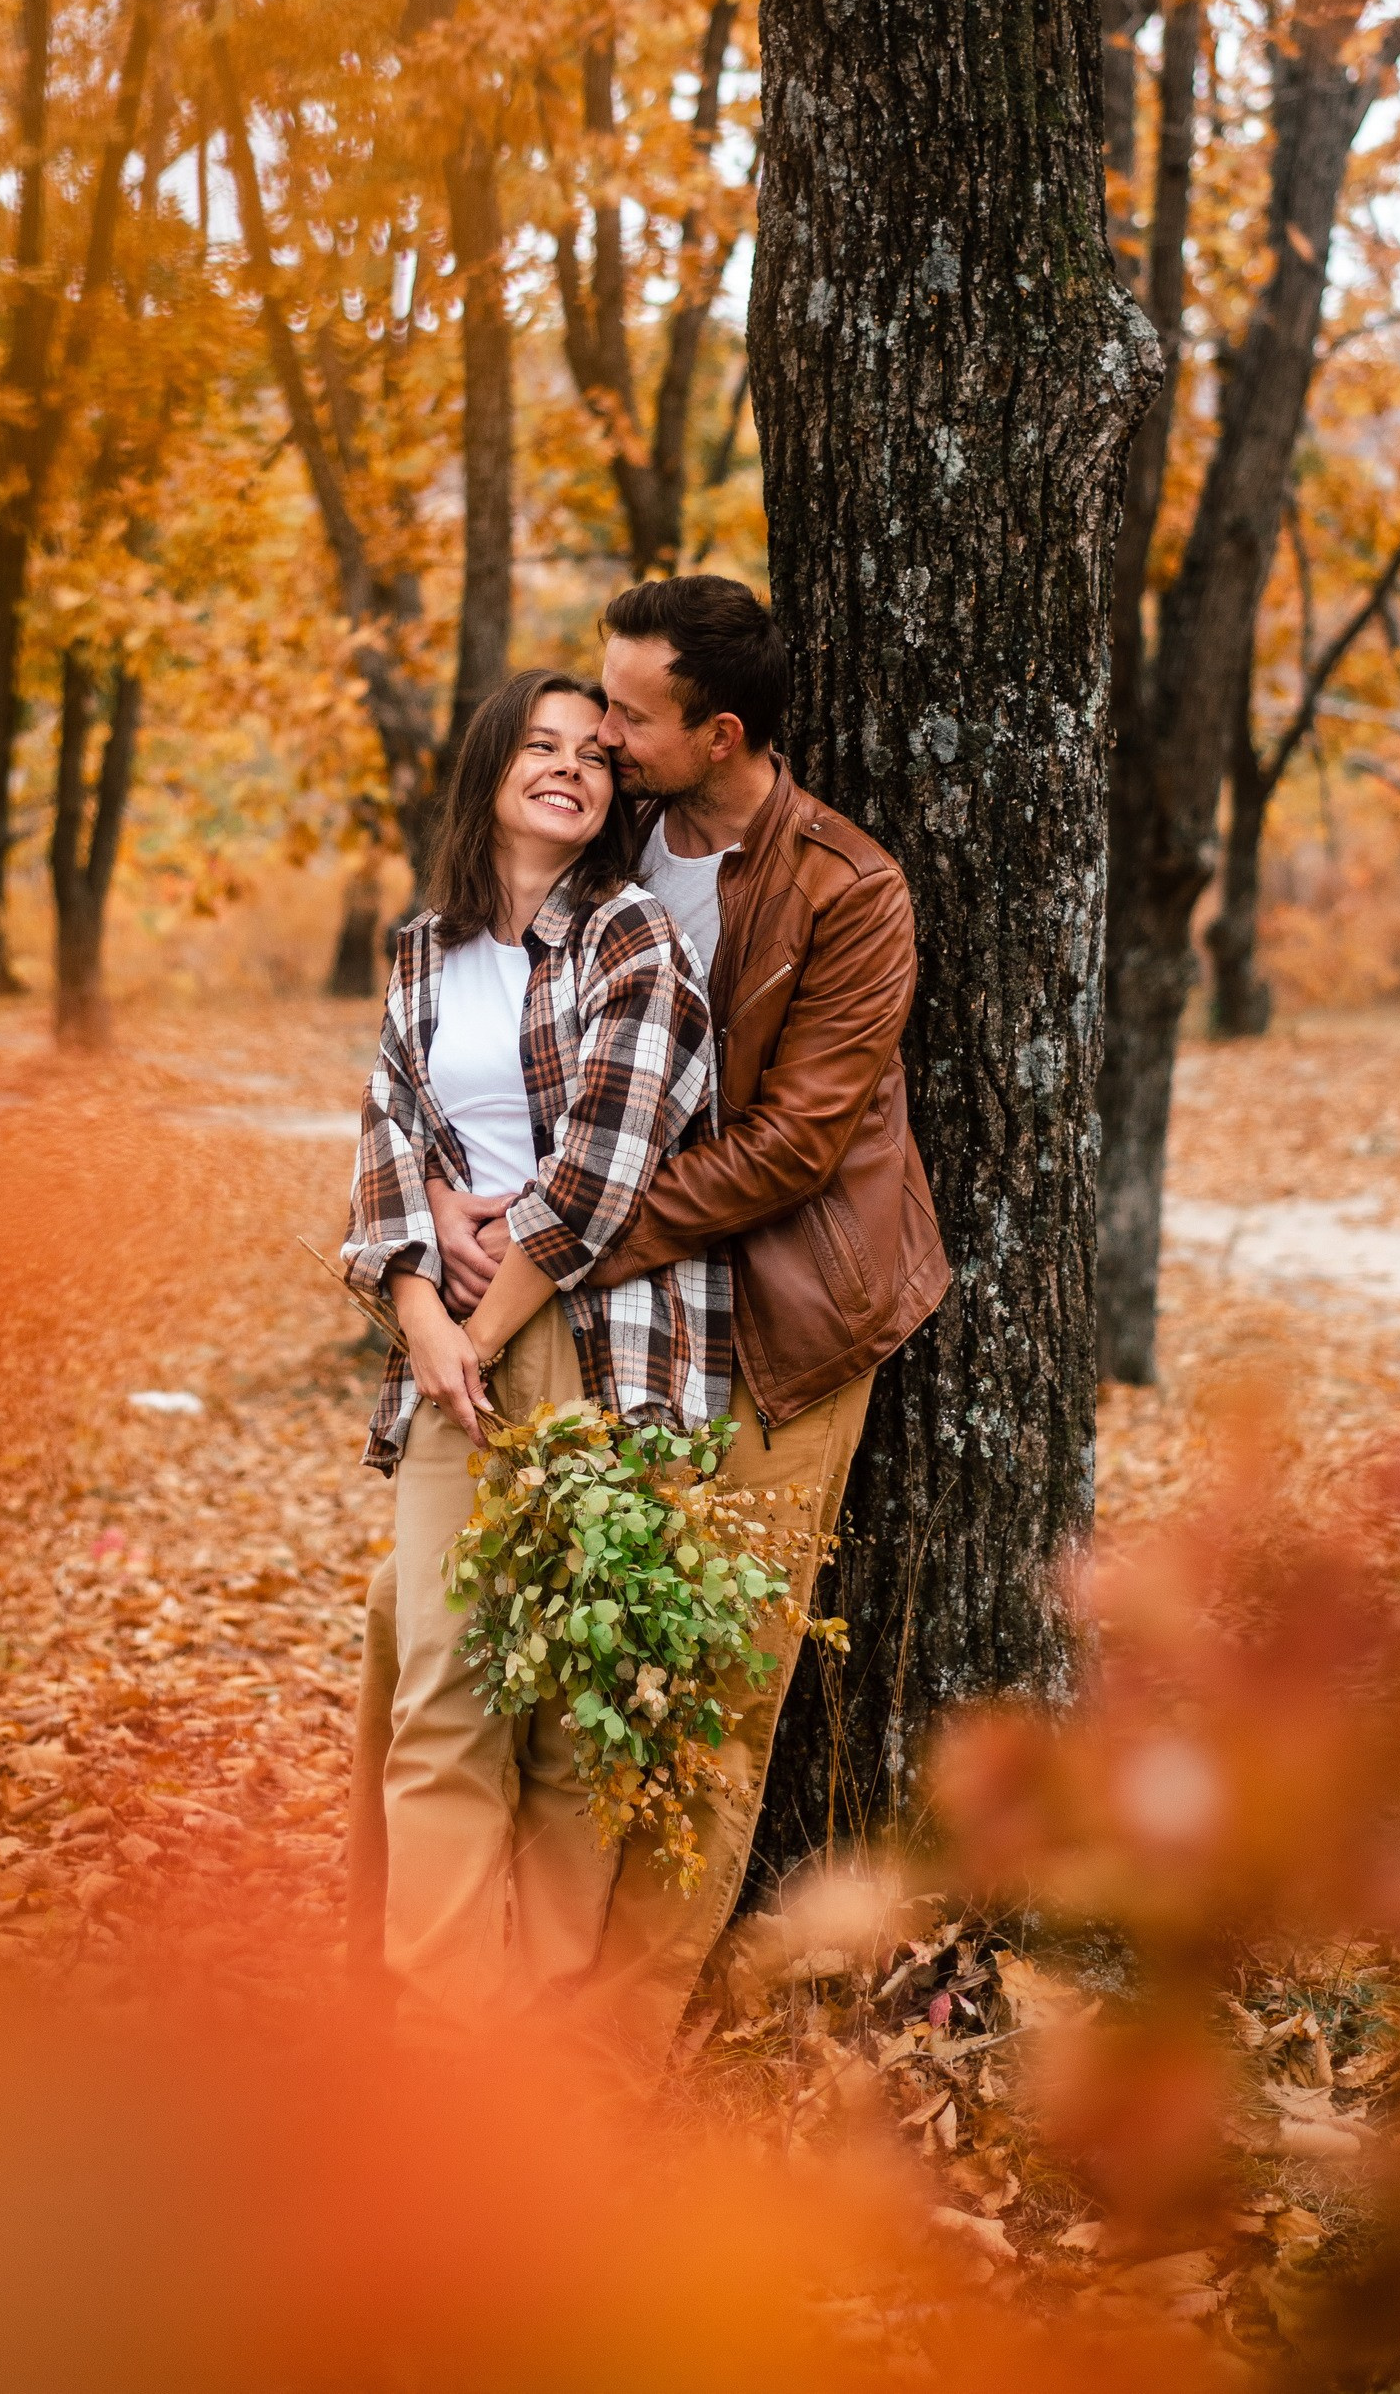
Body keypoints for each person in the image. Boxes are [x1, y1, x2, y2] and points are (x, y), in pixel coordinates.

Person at [421, 576, 951, 2072]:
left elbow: (791, 1147)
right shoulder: (618, 840)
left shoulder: (850, 890)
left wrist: (559, 1235)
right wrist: (457, 1211)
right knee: (593, 1673)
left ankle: (608, 2055)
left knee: (712, 1702)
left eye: (631, 714)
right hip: (631, 1328)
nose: (600, 732)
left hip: (787, 1332)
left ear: (718, 733)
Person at [339, 666, 727, 2030]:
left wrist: (483, 1322)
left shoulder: (633, 941)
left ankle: (552, 2026)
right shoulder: (418, 951)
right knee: (444, 1675)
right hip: (449, 1341)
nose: (570, 765)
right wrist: (422, 1312)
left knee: (575, 1704)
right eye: (541, 745)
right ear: (493, 766)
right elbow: (387, 1140)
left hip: (596, 1339)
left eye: (594, 753)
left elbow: (607, 1165)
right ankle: (438, 2031)